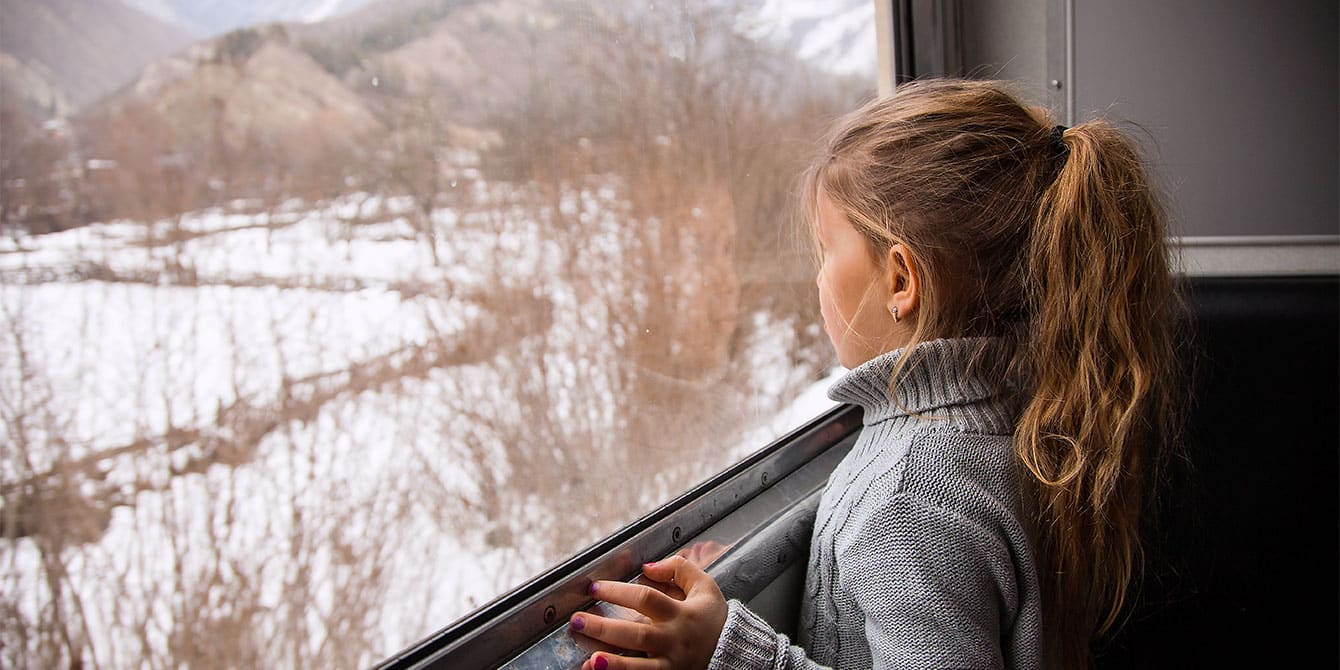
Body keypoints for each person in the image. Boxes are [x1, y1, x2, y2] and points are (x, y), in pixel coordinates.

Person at [568, 78, 1179, 670]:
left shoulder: (913, 496)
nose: (817, 277)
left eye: (826, 249)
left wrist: (729, 654)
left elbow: (910, 547)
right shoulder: (1013, 414)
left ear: (901, 279)